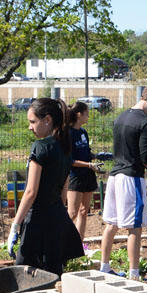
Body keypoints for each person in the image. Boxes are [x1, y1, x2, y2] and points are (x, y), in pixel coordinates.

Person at [6, 98, 84, 276]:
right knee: (52, 275)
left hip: (37, 220)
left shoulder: (40, 147)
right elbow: (64, 192)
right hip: (56, 217)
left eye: (33, 122)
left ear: (47, 120)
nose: (29, 127)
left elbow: (31, 192)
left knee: (25, 275)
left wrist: (15, 226)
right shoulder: (65, 147)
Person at [99, 83, 147, 280]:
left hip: (114, 176)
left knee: (111, 223)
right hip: (131, 178)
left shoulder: (121, 117)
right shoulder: (145, 123)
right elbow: (146, 157)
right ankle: (134, 273)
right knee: (134, 226)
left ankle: (104, 266)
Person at [66, 101, 103, 240]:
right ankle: (65, 242)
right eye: (86, 114)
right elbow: (70, 160)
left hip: (87, 175)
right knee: (72, 213)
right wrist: (89, 165)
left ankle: (78, 244)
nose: (88, 116)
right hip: (75, 177)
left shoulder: (83, 132)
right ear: (79, 114)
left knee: (83, 211)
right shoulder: (68, 134)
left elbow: (86, 153)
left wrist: (96, 157)